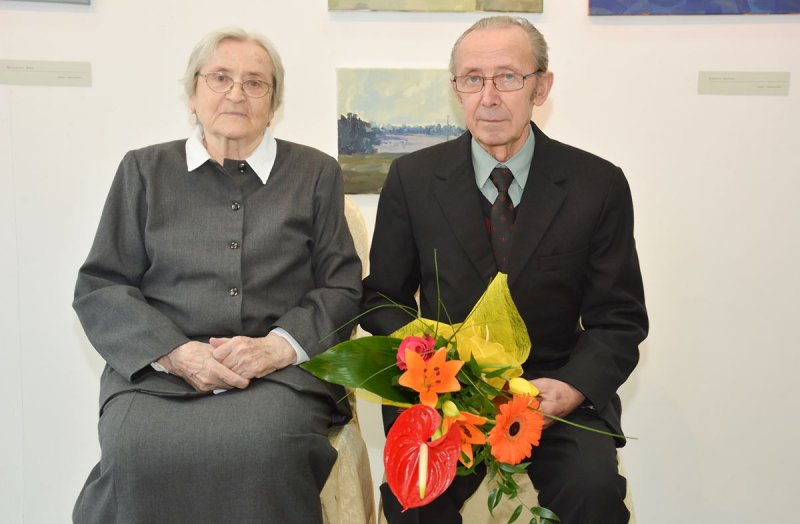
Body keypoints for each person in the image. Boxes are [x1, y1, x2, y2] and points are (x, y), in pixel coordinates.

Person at [361, 16, 648, 524]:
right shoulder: (413, 178)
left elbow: (619, 319)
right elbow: (383, 298)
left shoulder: (597, 184)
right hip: (447, 397)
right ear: (456, 89)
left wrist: (571, 389)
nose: (489, 97)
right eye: (473, 79)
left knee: (595, 494)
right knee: (414, 501)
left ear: (542, 86)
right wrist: (428, 363)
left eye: (508, 77)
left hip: (553, 393)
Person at [72, 28, 362, 524]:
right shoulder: (143, 170)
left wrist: (276, 348)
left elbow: (341, 286)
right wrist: (175, 352)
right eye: (220, 78)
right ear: (192, 93)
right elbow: (102, 285)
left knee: (265, 448)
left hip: (279, 377)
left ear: (274, 104)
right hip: (159, 374)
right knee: (136, 451)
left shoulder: (315, 173)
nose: (236, 93)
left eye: (255, 83)